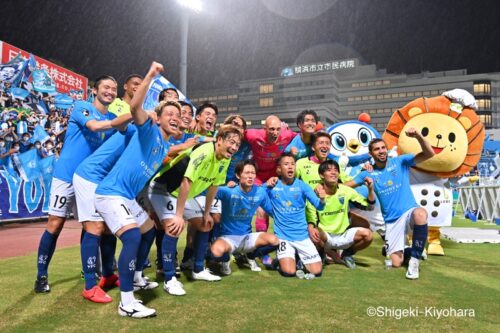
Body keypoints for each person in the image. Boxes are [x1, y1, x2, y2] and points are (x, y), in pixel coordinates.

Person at [94, 61, 180, 318]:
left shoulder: (164, 147)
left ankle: (139, 277)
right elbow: (134, 107)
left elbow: (177, 148)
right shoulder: (148, 132)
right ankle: (127, 303)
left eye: (178, 116)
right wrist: (151, 76)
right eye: (169, 115)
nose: (175, 118)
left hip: (127, 197)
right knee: (131, 237)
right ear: (158, 118)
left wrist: (194, 142)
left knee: (149, 230)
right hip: (110, 193)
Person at [34, 75, 130, 293]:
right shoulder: (82, 107)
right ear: (94, 90)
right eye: (106, 87)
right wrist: (121, 121)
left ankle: (105, 273)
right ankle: (41, 276)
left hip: (91, 179)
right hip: (66, 175)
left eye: (114, 89)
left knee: (100, 226)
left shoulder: (116, 117)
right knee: (55, 225)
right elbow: (94, 127)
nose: (110, 92)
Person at [148, 125, 242, 296]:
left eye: (237, 144)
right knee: (174, 227)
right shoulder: (204, 152)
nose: (234, 147)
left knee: (206, 224)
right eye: (231, 142)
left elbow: (214, 186)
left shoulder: (225, 158)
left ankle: (198, 269)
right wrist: (178, 215)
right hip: (164, 189)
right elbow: (186, 182)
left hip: (184, 193)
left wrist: (206, 213)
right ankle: (169, 279)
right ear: (219, 140)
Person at [346, 130, 434, 279]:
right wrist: (324, 187)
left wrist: (418, 136)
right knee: (396, 262)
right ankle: (409, 250)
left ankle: (414, 260)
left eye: (382, 148)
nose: (381, 151)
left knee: (421, 214)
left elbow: (429, 153)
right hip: (392, 221)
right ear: (371, 154)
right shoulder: (367, 173)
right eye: (376, 149)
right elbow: (346, 186)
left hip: (408, 211)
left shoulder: (400, 162)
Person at [209, 160, 278, 275]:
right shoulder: (227, 191)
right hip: (228, 238)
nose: (250, 176)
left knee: (275, 241)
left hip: (247, 238)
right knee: (215, 252)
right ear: (238, 175)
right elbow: (207, 191)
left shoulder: (260, 192)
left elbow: (272, 212)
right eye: (247, 173)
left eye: (253, 173)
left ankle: (251, 256)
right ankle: (225, 261)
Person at [244, 115, 296, 266]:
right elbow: (237, 132)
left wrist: (295, 149)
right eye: (271, 129)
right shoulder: (253, 135)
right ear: (264, 129)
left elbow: (303, 137)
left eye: (278, 129)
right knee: (261, 211)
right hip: (258, 177)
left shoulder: (286, 134)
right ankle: (261, 252)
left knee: (283, 209)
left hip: (275, 178)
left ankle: (288, 248)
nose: (275, 132)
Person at [267, 152, 326, 278]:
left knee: (316, 272)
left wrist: (322, 199)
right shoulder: (272, 186)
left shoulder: (302, 186)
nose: (290, 167)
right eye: (286, 164)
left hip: (302, 237)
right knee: (289, 272)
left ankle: (298, 259)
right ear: (278, 169)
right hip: (283, 237)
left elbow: (319, 206)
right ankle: (281, 260)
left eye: (293, 164)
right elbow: (256, 194)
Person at [308, 160, 374, 269]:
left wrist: (370, 189)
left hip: (343, 236)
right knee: (314, 231)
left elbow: (369, 207)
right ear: (321, 175)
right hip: (325, 237)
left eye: (335, 170)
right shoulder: (314, 194)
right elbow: (311, 218)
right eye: (329, 170)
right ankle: (321, 254)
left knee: (368, 235)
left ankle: (347, 254)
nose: (333, 173)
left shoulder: (346, 191)